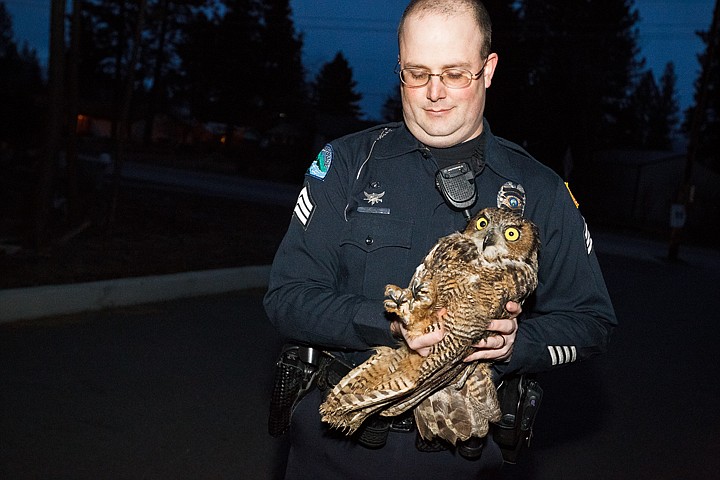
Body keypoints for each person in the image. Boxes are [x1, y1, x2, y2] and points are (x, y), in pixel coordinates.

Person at [264, 0, 617, 478]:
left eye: (455, 74)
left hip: (463, 460)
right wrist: (389, 324)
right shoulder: (346, 166)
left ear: (488, 70)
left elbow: (592, 321)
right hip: (339, 448)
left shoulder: (541, 190)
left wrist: (516, 343)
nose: (434, 93)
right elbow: (285, 299)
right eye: (417, 73)